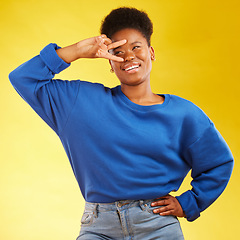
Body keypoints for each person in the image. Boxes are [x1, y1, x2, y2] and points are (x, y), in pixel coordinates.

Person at [9, 7, 233, 240]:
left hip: (157, 225)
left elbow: (219, 163)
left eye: (136, 47)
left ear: (152, 52)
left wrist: (189, 203)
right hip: (98, 227)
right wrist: (76, 51)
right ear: (109, 62)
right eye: (118, 51)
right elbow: (23, 78)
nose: (128, 56)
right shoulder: (79, 102)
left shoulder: (184, 114)